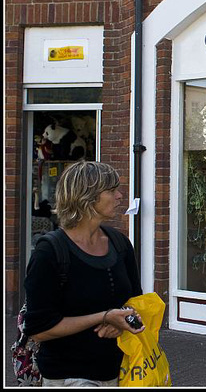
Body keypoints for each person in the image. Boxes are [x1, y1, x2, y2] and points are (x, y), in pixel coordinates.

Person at [24, 161, 145, 387]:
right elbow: (39, 330)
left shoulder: (120, 243)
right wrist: (104, 317)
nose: (120, 196)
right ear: (86, 197)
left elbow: (134, 302)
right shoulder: (49, 252)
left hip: (121, 372)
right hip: (69, 376)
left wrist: (122, 319)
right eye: (112, 190)